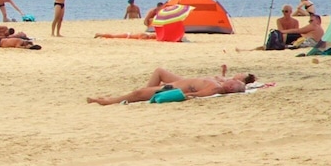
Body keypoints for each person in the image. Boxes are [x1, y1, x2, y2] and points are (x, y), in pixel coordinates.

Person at [87, 65, 257, 105]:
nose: (235, 79)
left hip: (177, 87)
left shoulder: (217, 88)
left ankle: (109, 101)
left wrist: (188, 96)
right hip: (181, 82)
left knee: (139, 93)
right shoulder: (221, 83)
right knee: (159, 72)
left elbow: (200, 94)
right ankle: (146, 93)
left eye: (236, 80)